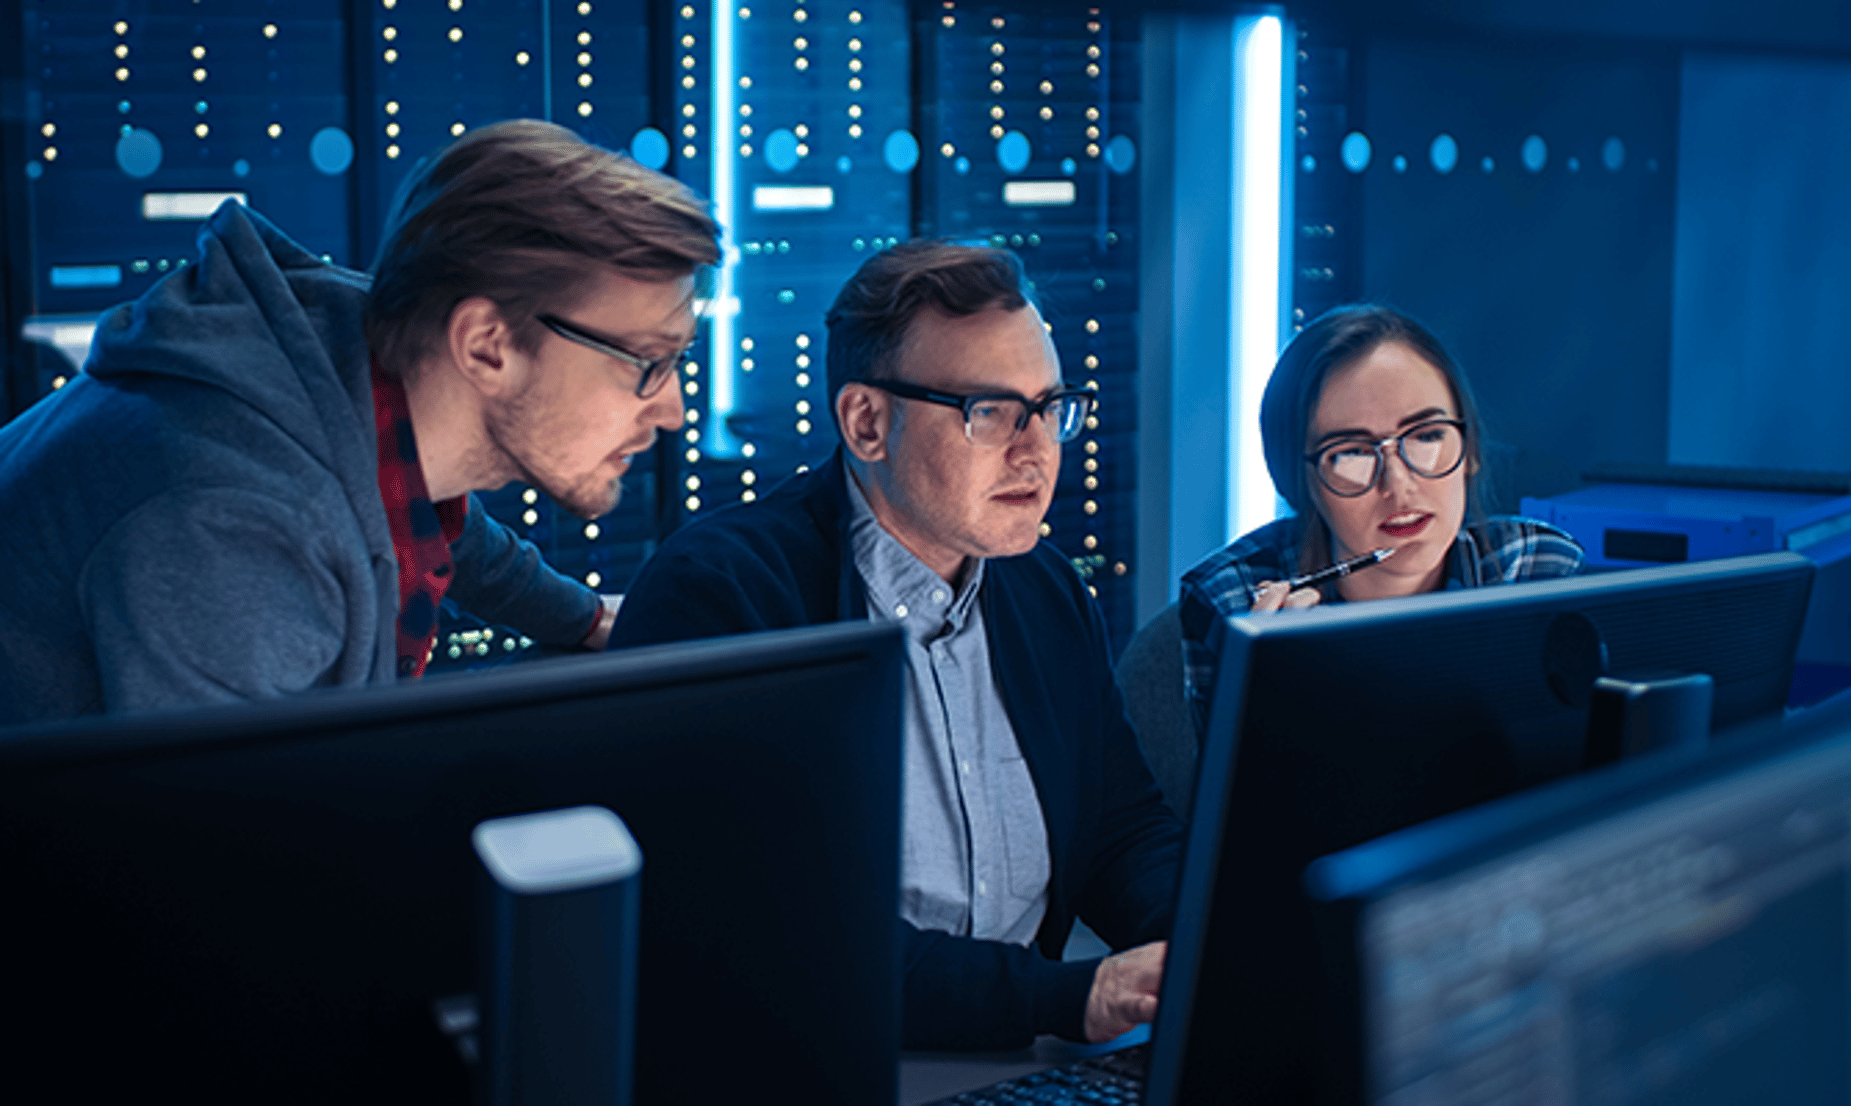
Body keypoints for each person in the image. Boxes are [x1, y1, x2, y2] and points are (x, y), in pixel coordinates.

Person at [610, 241, 1183, 1051]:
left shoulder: (1047, 590)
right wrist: (1068, 997)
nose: (1037, 450)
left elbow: (1119, 831)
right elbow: (767, 931)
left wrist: (1208, 936)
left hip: (1017, 1056)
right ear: (867, 423)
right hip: (811, 1064)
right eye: (991, 412)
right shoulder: (723, 597)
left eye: (1050, 406)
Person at [0, 120, 719, 725]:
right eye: (648, 363)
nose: (674, 411)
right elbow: (218, 830)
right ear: (486, 347)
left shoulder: (350, 378)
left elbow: (453, 533)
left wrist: (585, 617)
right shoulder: (236, 528)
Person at [1180, 304, 1584, 734]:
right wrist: (1278, 699)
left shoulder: (1539, 570)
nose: (1399, 486)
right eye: (1352, 453)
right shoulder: (1232, 603)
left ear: (1470, 451)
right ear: (1299, 482)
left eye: (1427, 436)